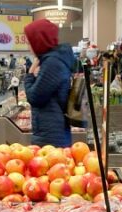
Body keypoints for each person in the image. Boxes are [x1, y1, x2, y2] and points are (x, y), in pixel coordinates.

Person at [23, 19, 75, 147]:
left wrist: (29, 75)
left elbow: (35, 97)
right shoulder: (53, 60)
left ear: (39, 41)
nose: (28, 47)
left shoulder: (52, 63)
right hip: (52, 131)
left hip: (50, 135)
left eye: (30, 42)